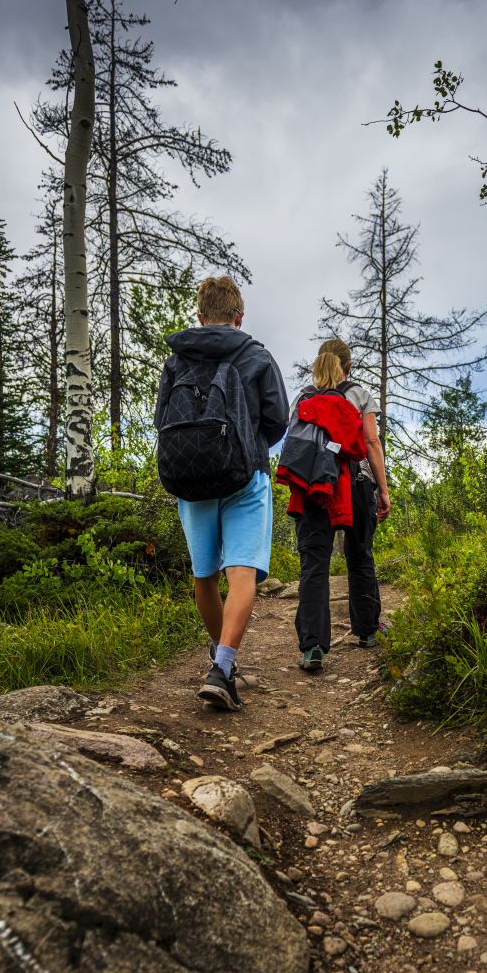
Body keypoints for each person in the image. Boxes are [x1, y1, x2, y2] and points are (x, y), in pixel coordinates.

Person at [157, 275, 289, 709]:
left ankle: (220, 660)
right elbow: (277, 420)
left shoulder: (176, 358)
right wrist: (244, 447)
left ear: (199, 316)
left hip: (190, 479)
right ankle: (224, 668)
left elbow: (161, 418)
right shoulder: (256, 355)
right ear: (239, 315)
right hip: (244, 476)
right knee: (242, 571)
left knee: (204, 574)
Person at [286, 338, 391, 670]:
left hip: (313, 485)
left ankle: (313, 646)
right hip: (355, 484)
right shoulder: (359, 394)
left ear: (319, 363)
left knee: (314, 563)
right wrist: (383, 490)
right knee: (359, 556)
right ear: (349, 366)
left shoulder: (303, 396)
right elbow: (371, 442)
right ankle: (368, 631)